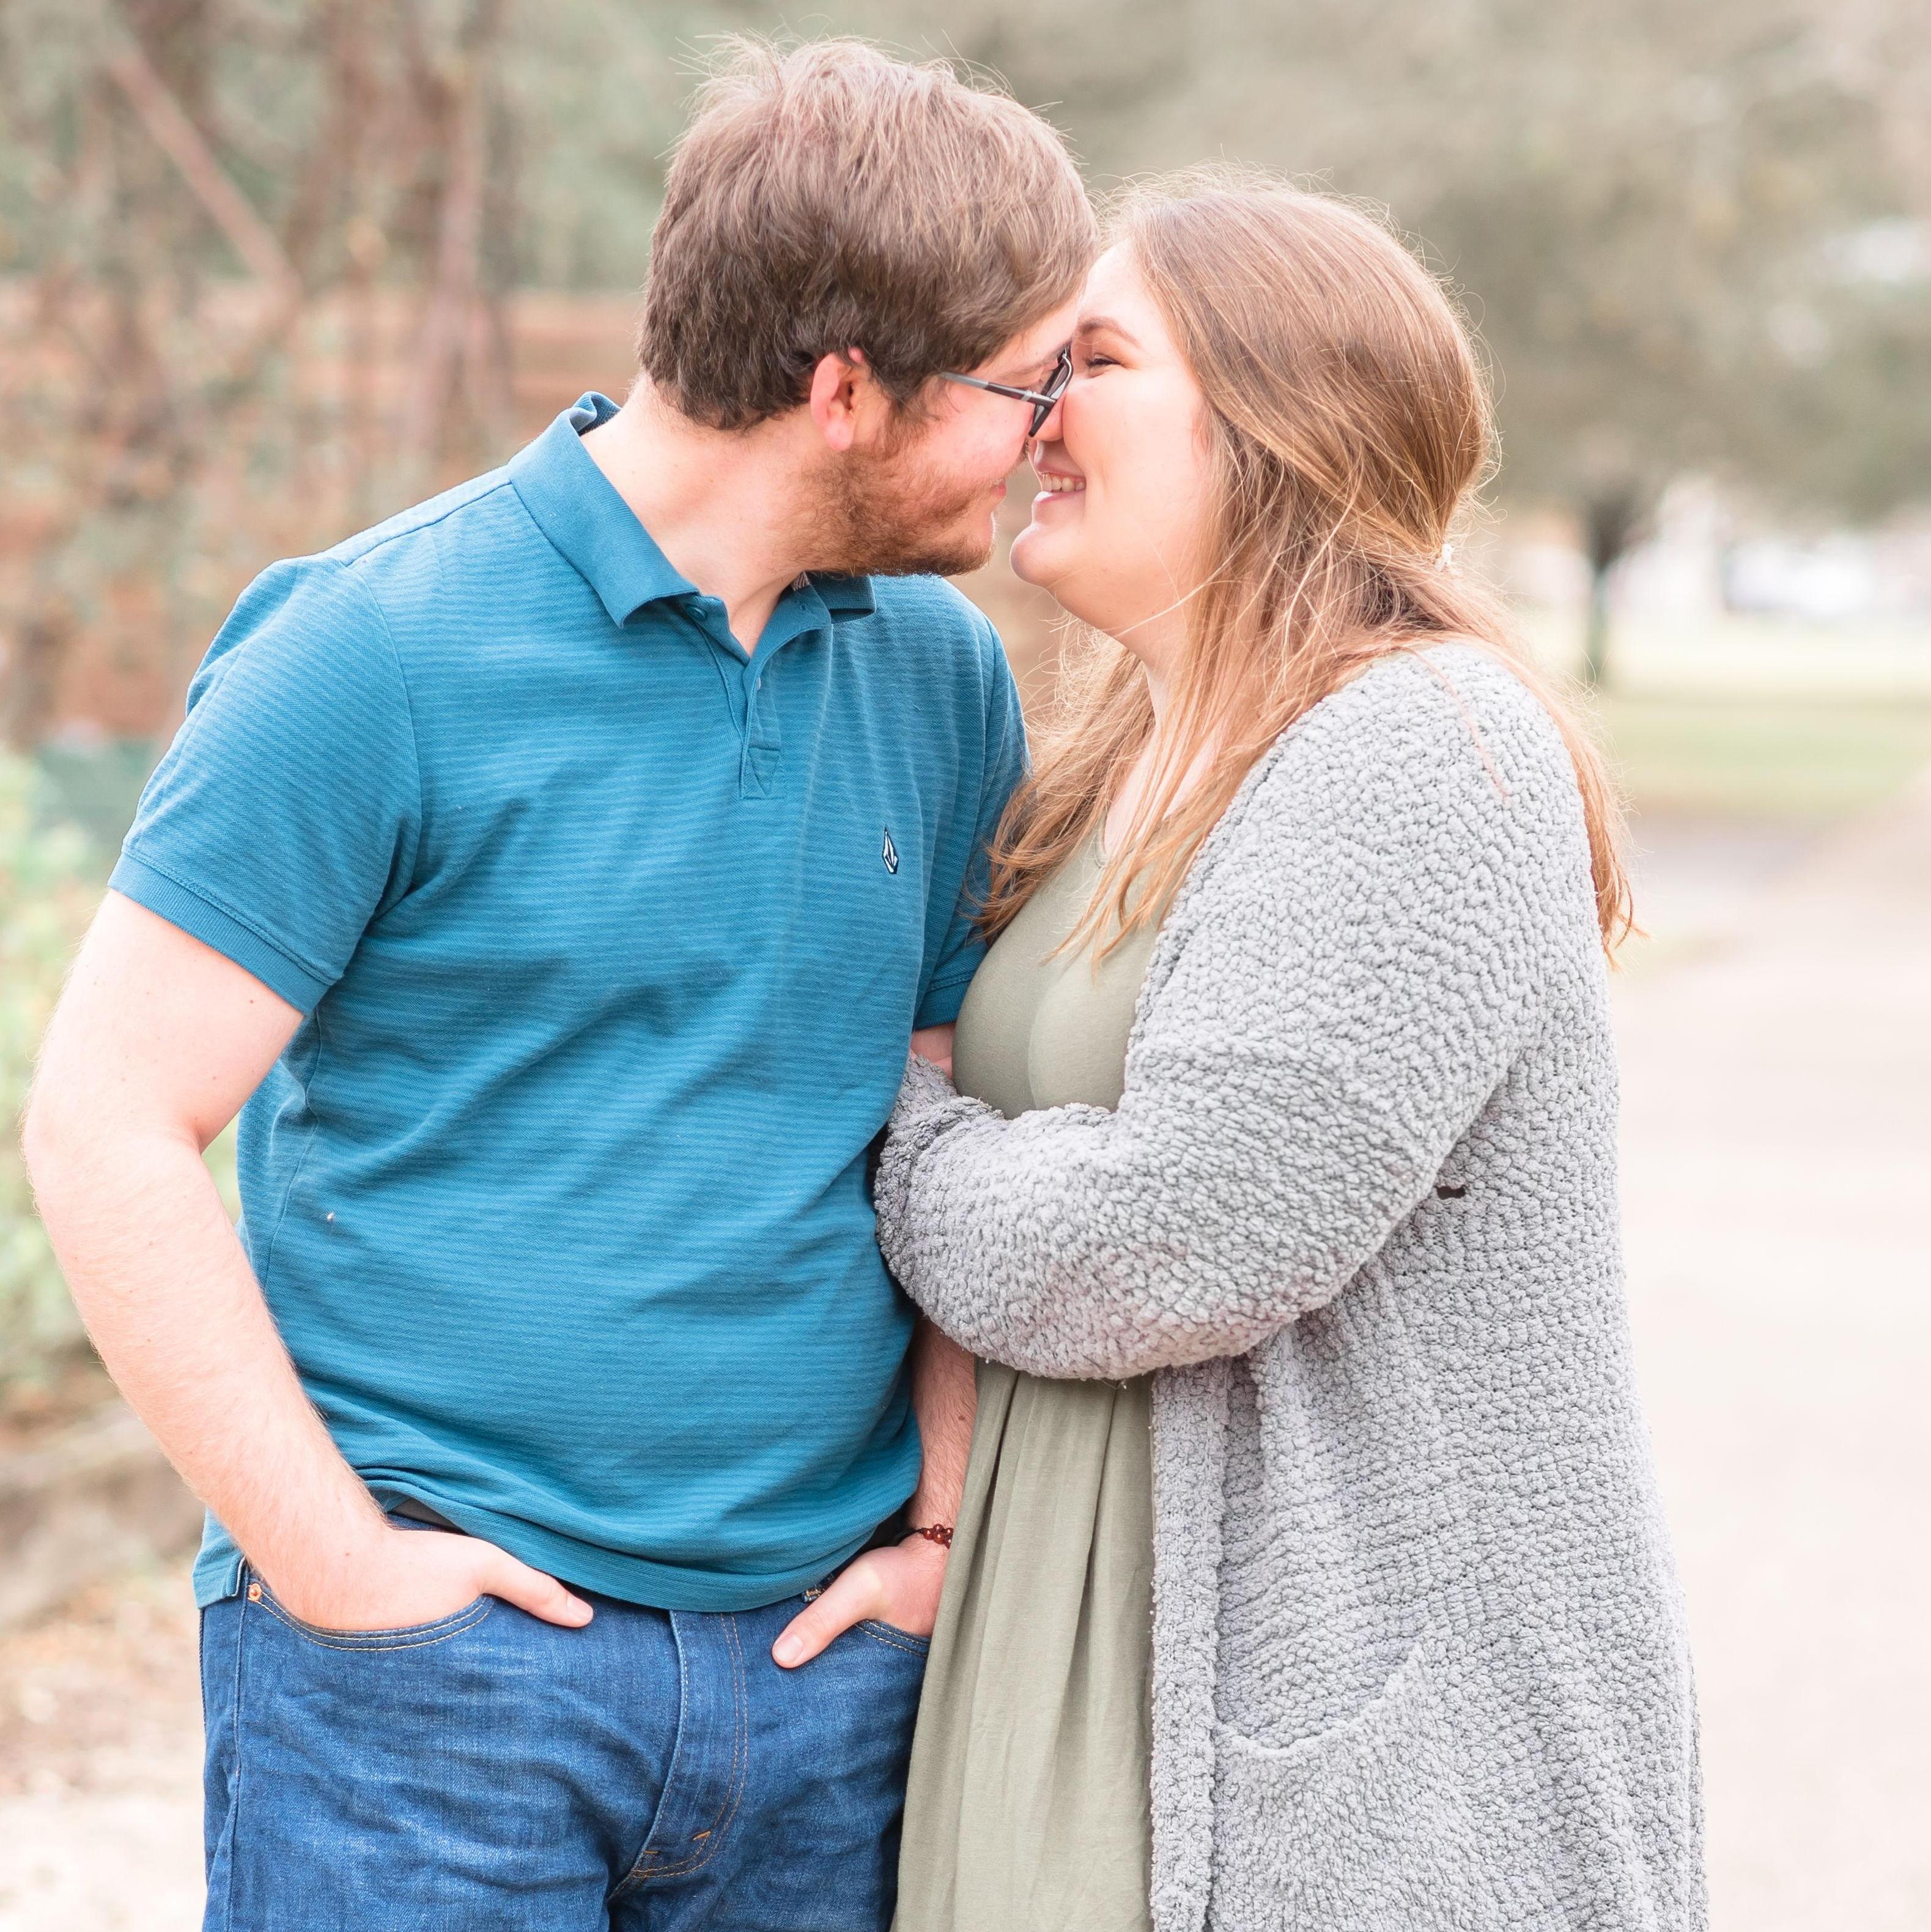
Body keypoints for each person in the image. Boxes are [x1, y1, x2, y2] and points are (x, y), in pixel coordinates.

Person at [23, 39, 1094, 1930]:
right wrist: (333, 1567)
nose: (1050, 435)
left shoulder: (943, 678)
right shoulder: (371, 652)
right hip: (427, 1702)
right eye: (1024, 386)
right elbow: (107, 1118)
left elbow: (949, 1118)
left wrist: (938, 1530)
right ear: (846, 390)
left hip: (822, 1684)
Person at [879, 175, 1704, 1932]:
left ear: (1269, 419)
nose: (1037, 406)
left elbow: (1178, 1239)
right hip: (1060, 1645)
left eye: (1094, 358)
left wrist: (891, 1136)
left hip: (1352, 1759)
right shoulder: (1112, 775)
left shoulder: (1422, 746)